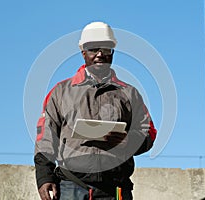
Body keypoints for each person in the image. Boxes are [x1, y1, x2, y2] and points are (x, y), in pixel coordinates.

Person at [34, 21, 157, 200]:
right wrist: (44, 176)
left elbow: (149, 133)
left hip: (115, 189)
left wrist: (127, 141)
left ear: (112, 53)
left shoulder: (129, 94)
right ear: (83, 52)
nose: (100, 54)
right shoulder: (60, 92)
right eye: (93, 49)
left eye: (106, 49)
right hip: (71, 187)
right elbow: (46, 137)